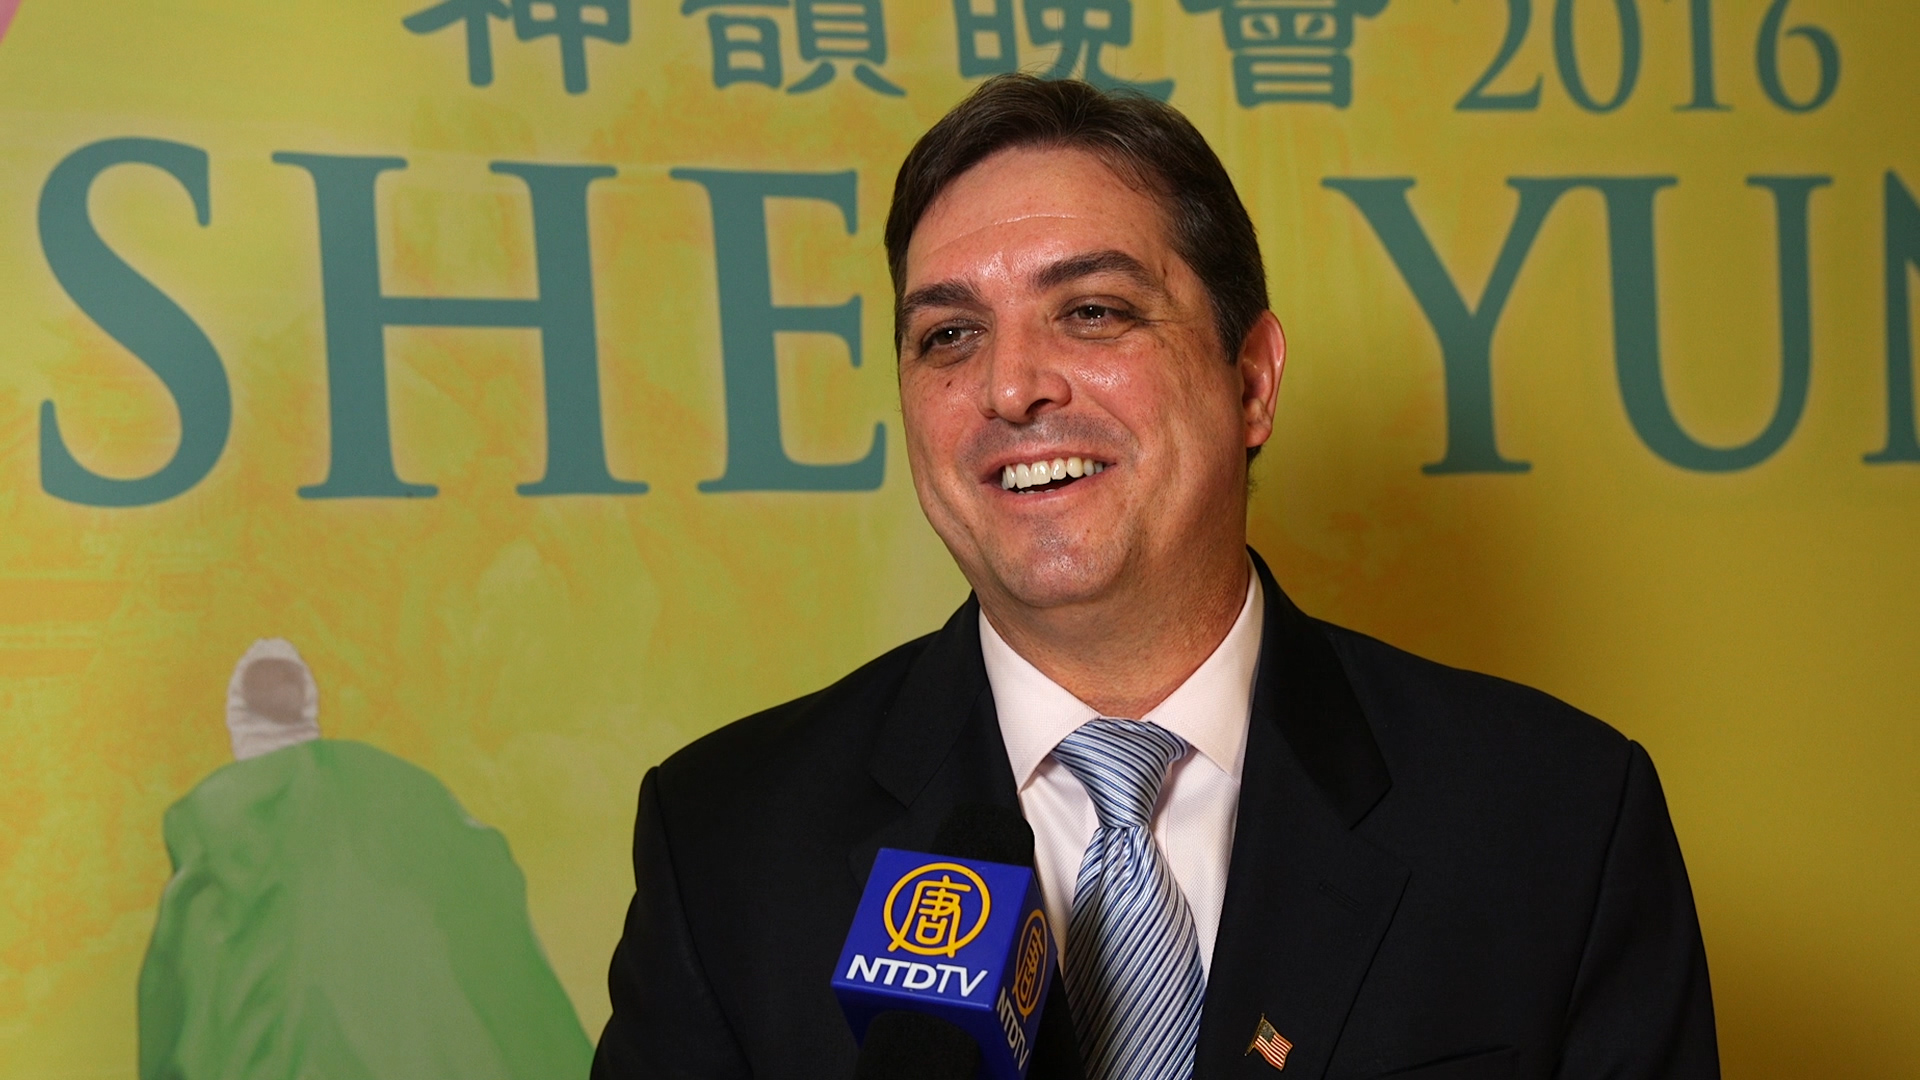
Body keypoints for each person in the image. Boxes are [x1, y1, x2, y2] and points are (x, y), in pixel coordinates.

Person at [592, 74, 1717, 1080]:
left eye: (1092, 312)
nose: (1011, 388)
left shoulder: (1557, 819)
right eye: (949, 336)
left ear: (1252, 380)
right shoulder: (727, 843)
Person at [138, 639, 593, 1080]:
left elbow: (174, 1010)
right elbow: (494, 920)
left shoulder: (215, 832)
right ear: (309, 711)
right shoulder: (414, 801)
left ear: (236, 719)